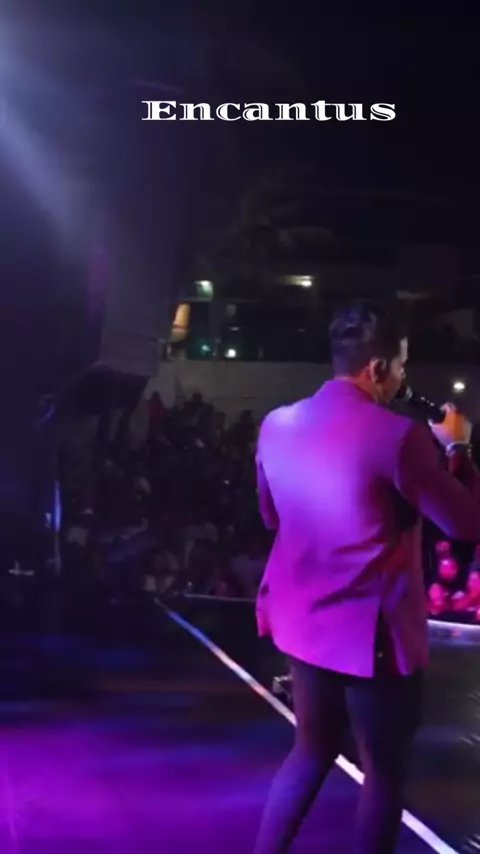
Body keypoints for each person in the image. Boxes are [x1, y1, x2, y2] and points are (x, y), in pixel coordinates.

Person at [253, 300, 480, 854]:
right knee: (383, 773)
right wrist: (458, 447)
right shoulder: (398, 437)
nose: (402, 379)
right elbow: (467, 524)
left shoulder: (275, 424)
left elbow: (270, 517)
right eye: (401, 366)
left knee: (309, 752)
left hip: (303, 629)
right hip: (370, 638)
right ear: (378, 368)